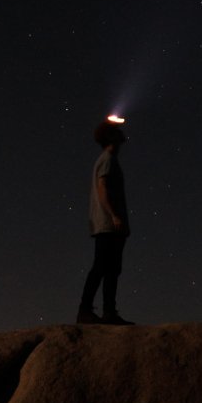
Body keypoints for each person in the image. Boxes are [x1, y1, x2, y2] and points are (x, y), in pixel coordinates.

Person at [77, 115, 131, 322]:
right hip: (108, 224)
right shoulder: (107, 160)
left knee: (111, 269)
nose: (121, 133)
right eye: (116, 131)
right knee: (102, 266)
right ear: (111, 137)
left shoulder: (108, 160)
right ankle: (86, 310)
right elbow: (103, 188)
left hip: (109, 224)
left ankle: (108, 312)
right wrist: (114, 215)